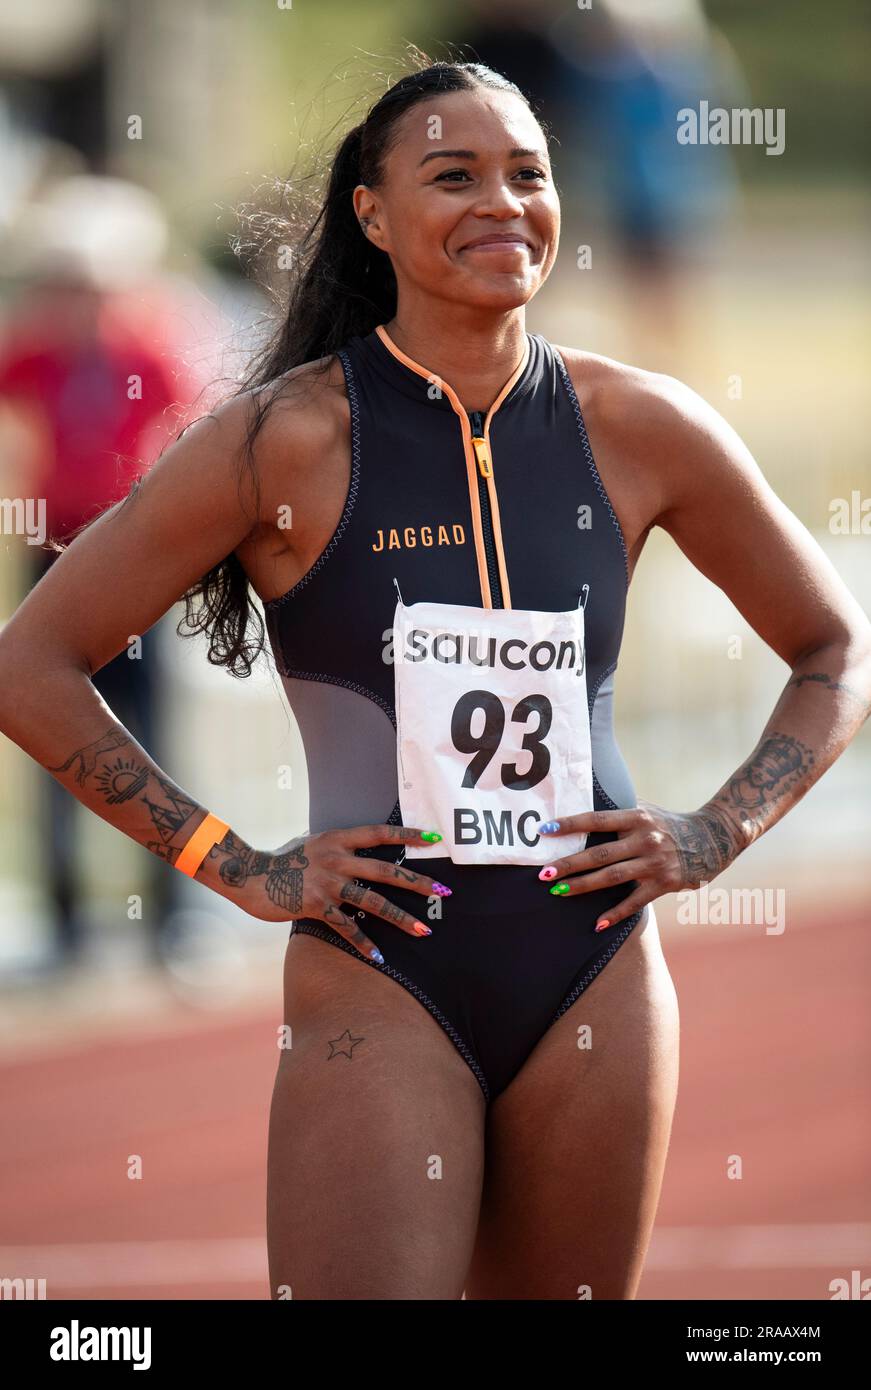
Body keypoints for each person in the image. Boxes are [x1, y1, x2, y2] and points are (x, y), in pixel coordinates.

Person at [0, 58, 869, 1300]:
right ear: (372, 214)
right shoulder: (281, 438)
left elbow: (834, 649)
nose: (501, 203)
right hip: (382, 967)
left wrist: (713, 832)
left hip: (596, 966)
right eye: (451, 175)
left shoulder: (642, 425)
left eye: (528, 173)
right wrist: (231, 863)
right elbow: (29, 662)